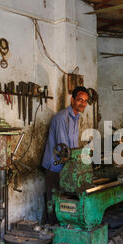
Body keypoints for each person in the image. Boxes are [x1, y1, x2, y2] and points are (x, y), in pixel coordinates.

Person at [41, 86, 89, 224]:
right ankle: (54, 232)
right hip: (55, 167)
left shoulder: (76, 117)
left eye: (85, 101)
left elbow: (73, 145)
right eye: (80, 99)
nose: (82, 103)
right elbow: (64, 148)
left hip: (67, 166)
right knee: (54, 202)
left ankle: (65, 228)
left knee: (65, 202)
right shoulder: (62, 118)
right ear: (72, 99)